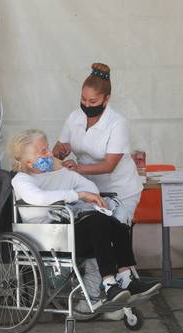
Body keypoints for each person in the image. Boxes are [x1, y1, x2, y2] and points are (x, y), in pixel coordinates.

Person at [9, 129, 160, 304]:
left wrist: (72, 182)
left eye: (47, 148)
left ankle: (126, 278)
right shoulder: (21, 180)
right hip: (46, 238)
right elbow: (39, 198)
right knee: (97, 221)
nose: (49, 153)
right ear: (27, 162)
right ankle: (109, 283)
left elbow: (90, 189)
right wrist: (78, 196)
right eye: (42, 151)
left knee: (116, 223)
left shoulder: (58, 174)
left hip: (66, 231)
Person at [53, 63, 142, 225]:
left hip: (120, 191)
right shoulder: (75, 117)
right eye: (83, 99)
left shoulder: (117, 123)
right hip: (89, 190)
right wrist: (59, 151)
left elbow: (109, 165)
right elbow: (58, 147)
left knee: (113, 230)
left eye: (93, 101)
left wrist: (77, 168)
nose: (86, 105)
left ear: (106, 99)